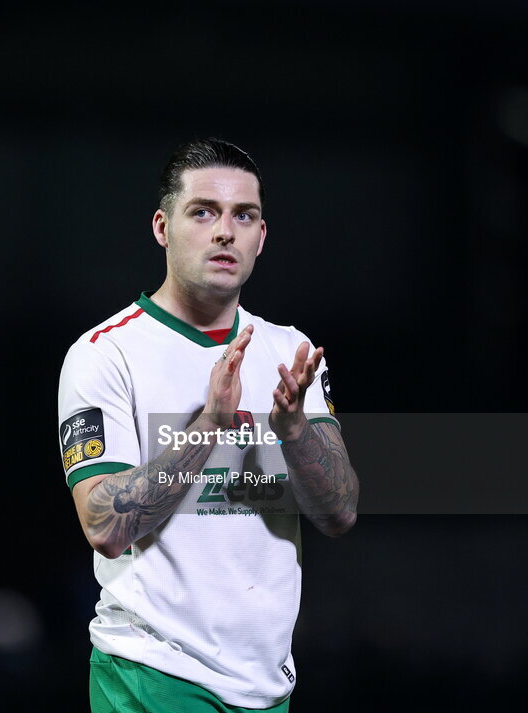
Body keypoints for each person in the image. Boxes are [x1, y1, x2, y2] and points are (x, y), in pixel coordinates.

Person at [58, 137, 359, 712]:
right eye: (203, 212)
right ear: (162, 228)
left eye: (243, 216)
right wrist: (211, 424)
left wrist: (294, 431)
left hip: (266, 683)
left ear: (261, 238)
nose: (225, 231)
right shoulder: (104, 354)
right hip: (151, 674)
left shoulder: (289, 350)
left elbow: (339, 512)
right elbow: (103, 524)